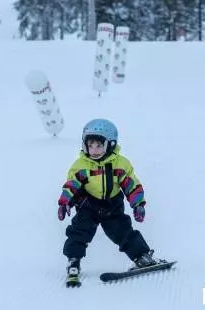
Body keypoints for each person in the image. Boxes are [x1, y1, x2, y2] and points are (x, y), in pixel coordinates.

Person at [57, 118, 157, 286]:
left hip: (112, 205)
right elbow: (71, 185)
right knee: (79, 232)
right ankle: (73, 261)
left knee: (123, 231)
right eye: (90, 145)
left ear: (110, 144)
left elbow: (131, 184)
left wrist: (138, 204)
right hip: (88, 205)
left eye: (99, 145)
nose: (94, 150)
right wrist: (64, 202)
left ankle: (142, 257)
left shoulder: (120, 164)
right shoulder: (81, 165)